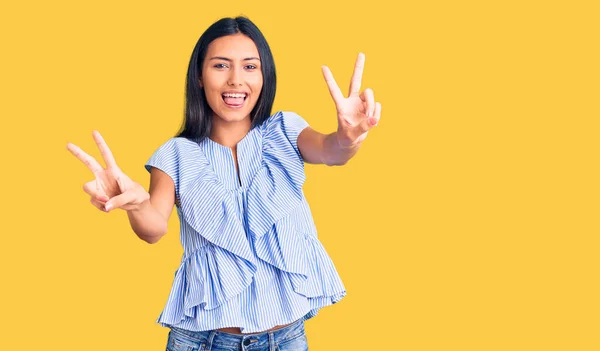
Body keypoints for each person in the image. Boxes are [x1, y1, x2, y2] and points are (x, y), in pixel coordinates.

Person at [67, 16, 381, 351]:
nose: (235, 80)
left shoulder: (285, 131)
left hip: (286, 339)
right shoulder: (176, 154)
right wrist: (136, 204)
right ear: (200, 77)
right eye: (220, 65)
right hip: (205, 342)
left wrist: (350, 137)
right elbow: (153, 228)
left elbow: (332, 151)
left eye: (249, 67)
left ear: (264, 76)